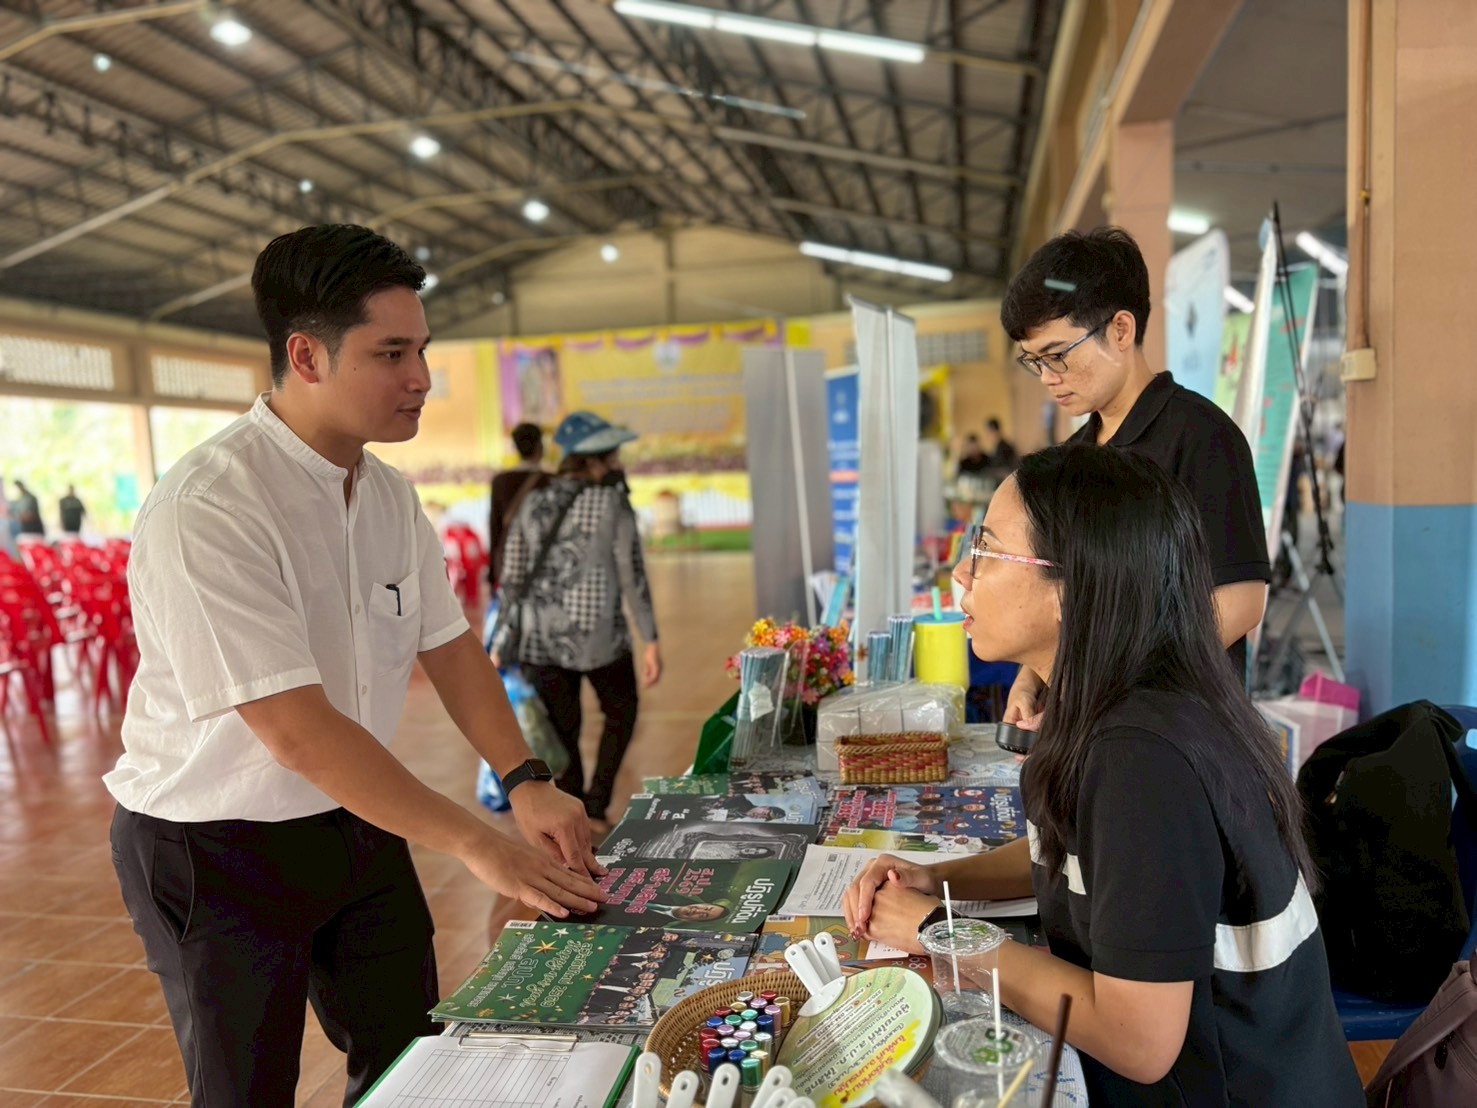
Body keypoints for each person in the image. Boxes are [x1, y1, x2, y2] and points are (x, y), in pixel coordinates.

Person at [105, 224, 605, 1108]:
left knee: (407, 1057)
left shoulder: (385, 495)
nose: (419, 378)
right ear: (306, 355)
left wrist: (526, 777)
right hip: (215, 845)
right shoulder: (211, 507)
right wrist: (471, 841)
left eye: (421, 350)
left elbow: (450, 648)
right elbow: (295, 730)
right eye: (390, 352)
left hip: (354, 819)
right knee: (245, 1089)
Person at [843, 445, 1362, 1106]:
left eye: (987, 551)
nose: (960, 577)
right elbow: (1088, 862)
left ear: (1070, 589)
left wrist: (937, 934)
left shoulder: (1142, 759)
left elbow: (1137, 1042)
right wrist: (938, 882)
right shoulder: (1119, 699)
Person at [999, 227, 1269, 727]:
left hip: (1183, 727)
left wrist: (1117, 686)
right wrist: (1031, 679)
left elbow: (1241, 601)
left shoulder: (1203, 436)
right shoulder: (1073, 458)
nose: (1047, 377)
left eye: (1058, 354)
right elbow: (1060, 593)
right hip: (1093, 725)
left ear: (1121, 330)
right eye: (1034, 361)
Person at [494, 410, 662, 833]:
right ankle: (596, 804)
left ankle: (574, 808)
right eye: (615, 454)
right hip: (598, 638)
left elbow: (511, 575)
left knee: (562, 730)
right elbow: (633, 575)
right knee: (621, 710)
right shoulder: (611, 502)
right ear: (598, 459)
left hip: (539, 637)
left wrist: (502, 636)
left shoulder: (534, 496)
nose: (619, 462)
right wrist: (651, 638)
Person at [488, 422, 549, 587]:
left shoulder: (500, 481)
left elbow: (495, 526)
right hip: (543, 560)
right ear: (540, 447)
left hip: (510, 560)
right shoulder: (550, 480)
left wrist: (493, 573)